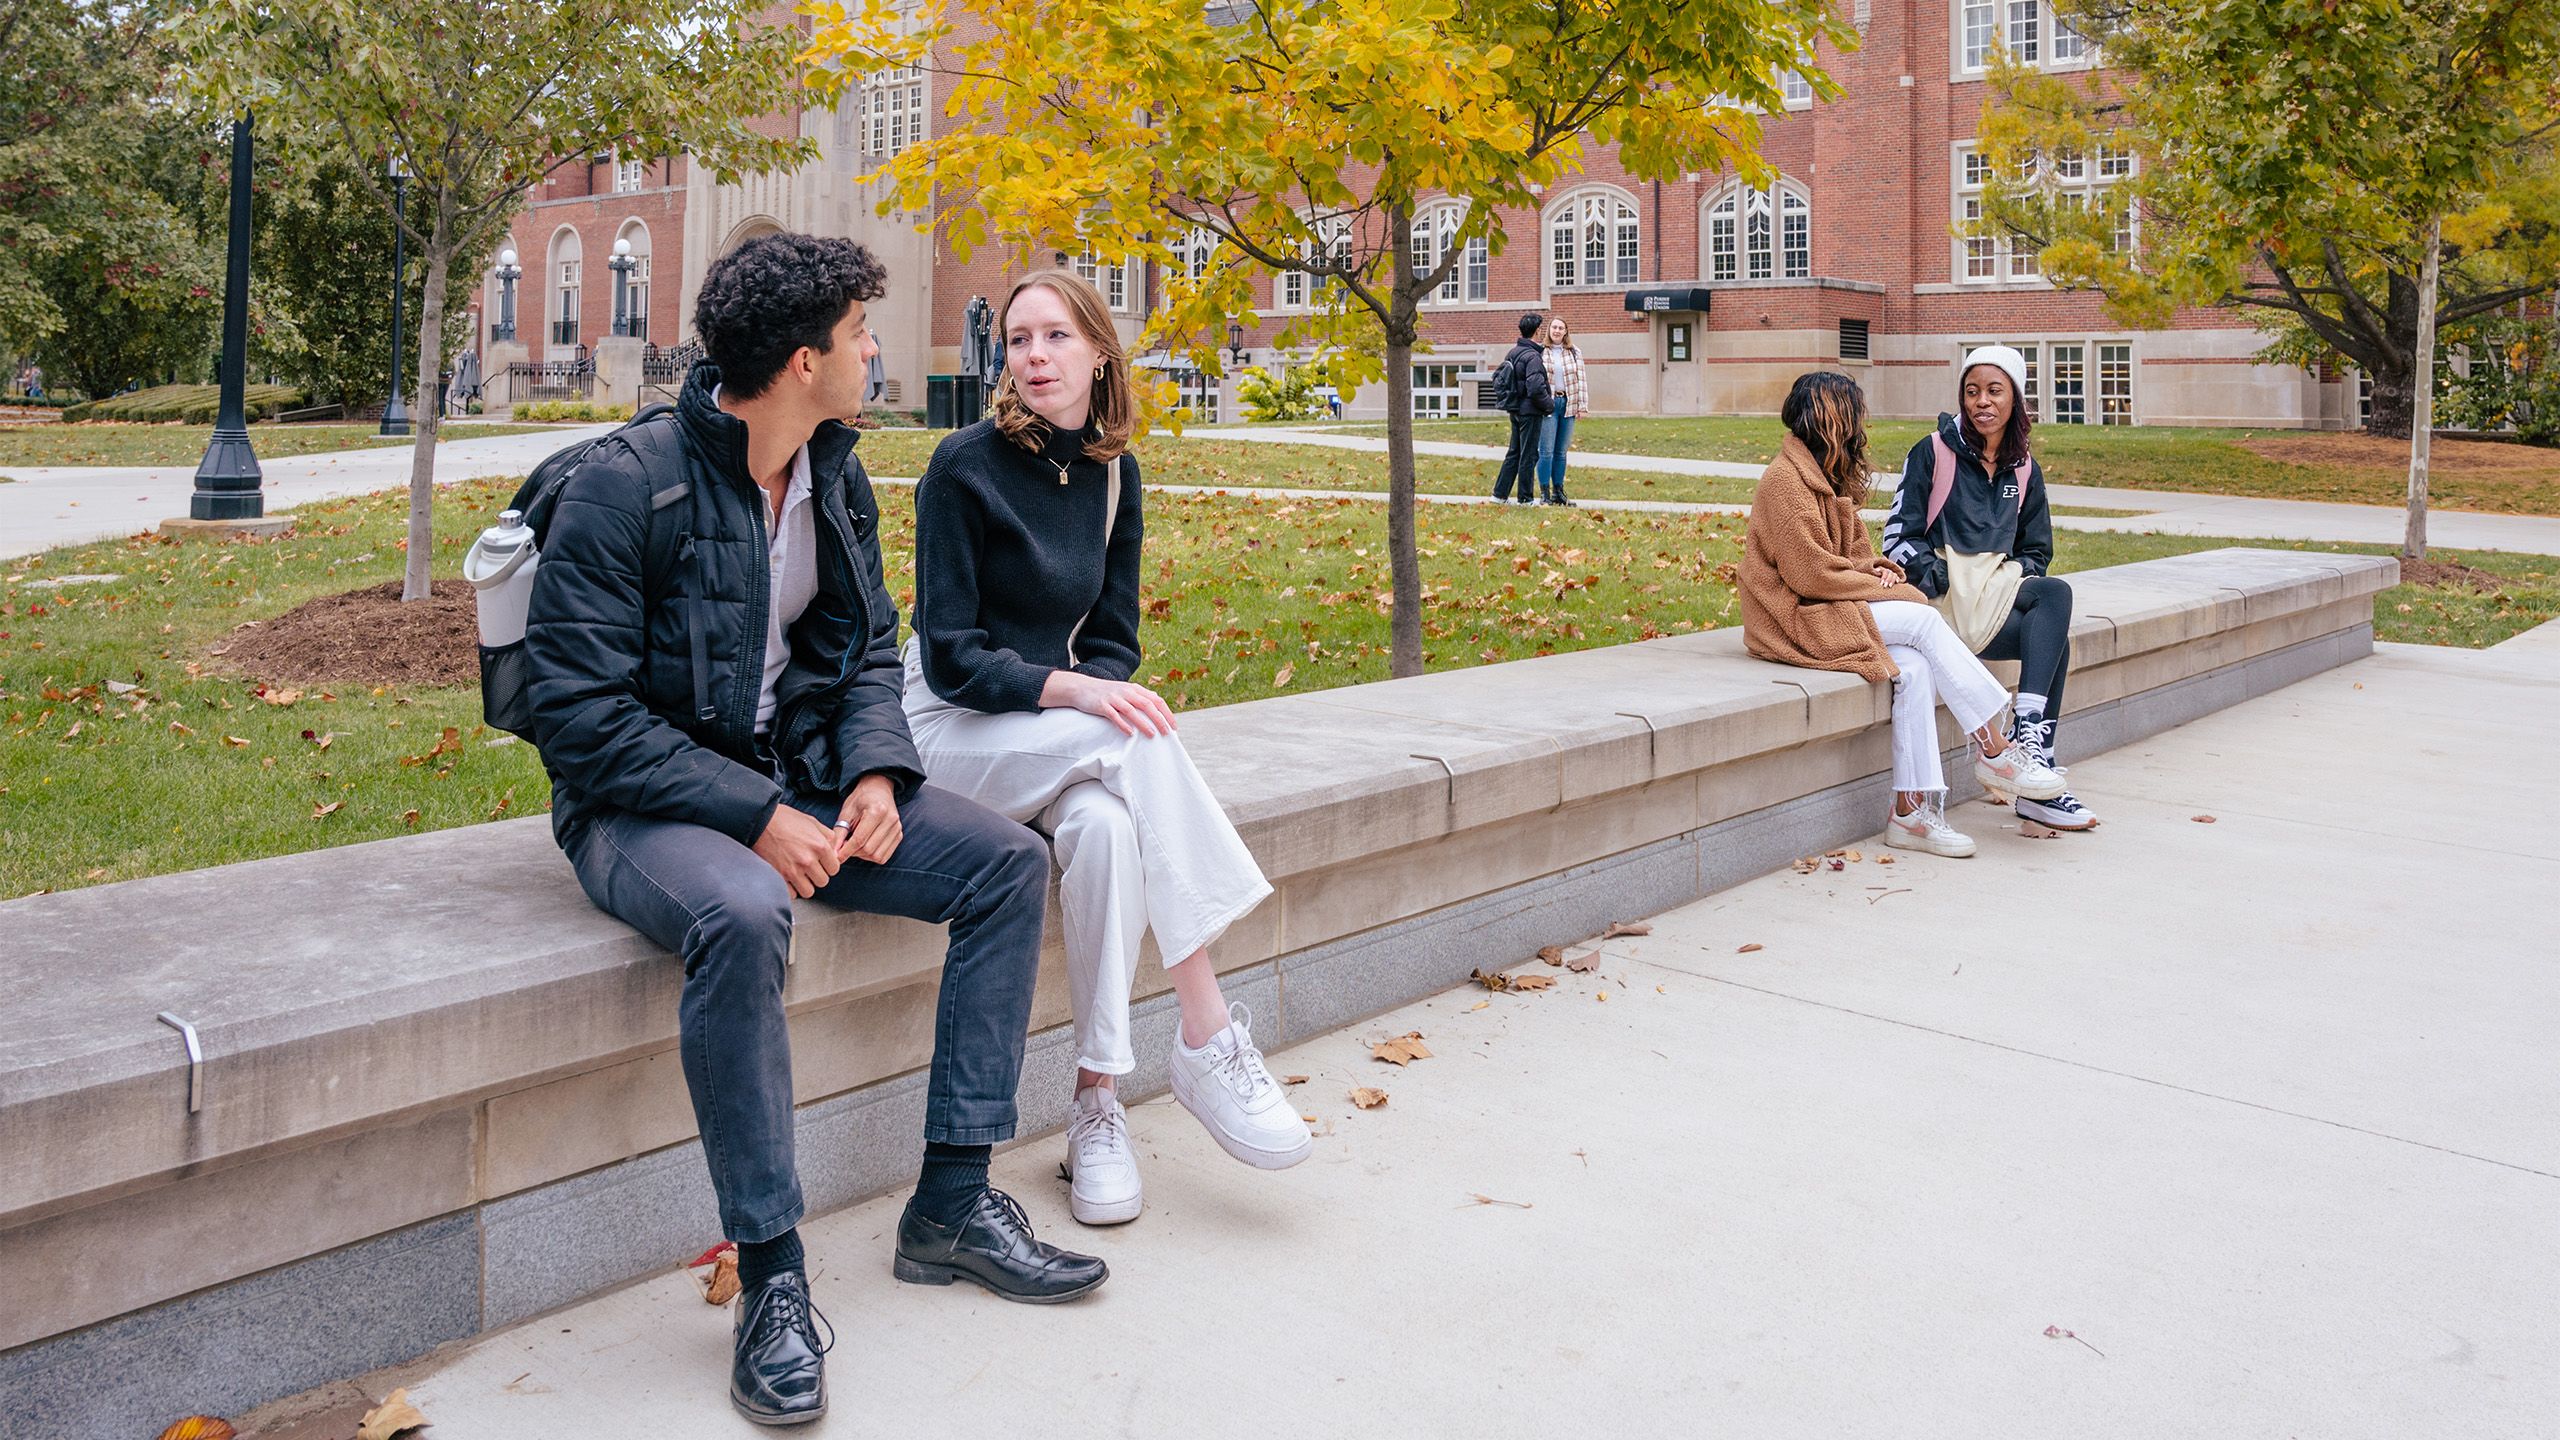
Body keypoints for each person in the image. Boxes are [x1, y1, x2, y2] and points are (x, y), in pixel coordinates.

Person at [523, 233, 1105, 1427]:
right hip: (639, 808)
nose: (876, 348)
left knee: (1002, 863)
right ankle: (773, 1274)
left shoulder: (832, 473)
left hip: (795, 780)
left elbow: (863, 651)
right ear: (803, 360)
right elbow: (575, 719)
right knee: (742, 914)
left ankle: (950, 1202)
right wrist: (756, 814)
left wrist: (878, 772)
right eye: (860, 333)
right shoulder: (624, 486)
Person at [905, 268, 1312, 1229]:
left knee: (1107, 830)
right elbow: (953, 656)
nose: (1034, 357)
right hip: (951, 731)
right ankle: (1209, 1034)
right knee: (1130, 740)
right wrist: (1081, 692)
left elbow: (1116, 639)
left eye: (1054, 337)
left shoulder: (1112, 473)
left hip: (1050, 738)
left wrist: (1096, 688)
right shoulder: (961, 468)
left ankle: (1097, 1100)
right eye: (1018, 341)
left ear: (1098, 350)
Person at [1741, 371, 2069, 858]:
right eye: (1854, 415)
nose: (1860, 427)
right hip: (1792, 619)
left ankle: (1909, 813)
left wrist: (1882, 571)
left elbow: (1850, 556)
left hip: (1829, 606)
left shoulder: (1823, 475)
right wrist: (1886, 589)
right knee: (1922, 619)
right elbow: (1811, 576)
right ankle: (1997, 749)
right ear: (1830, 419)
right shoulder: (1785, 484)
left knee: (1914, 670)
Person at [1880, 345, 2098, 830]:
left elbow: (2037, 549)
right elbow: (1896, 533)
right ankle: (2031, 754)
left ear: (2015, 398)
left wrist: (2011, 573)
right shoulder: (1933, 452)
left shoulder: (2024, 470)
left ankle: (2032, 763)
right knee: (2055, 601)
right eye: (1972, 391)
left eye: (1995, 391)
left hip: (1993, 592)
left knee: (2051, 629)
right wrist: (1923, 569)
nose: (1982, 401)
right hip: (1942, 597)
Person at [1489, 312, 1553, 504]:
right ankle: (1525, 499)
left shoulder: (1513, 352)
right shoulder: (1533, 356)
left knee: (1514, 453)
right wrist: (1549, 405)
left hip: (1515, 409)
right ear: (1537, 331)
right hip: (1530, 412)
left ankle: (1499, 495)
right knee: (1529, 455)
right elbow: (1535, 387)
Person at [1538, 316, 1589, 506]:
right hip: (1549, 405)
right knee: (1546, 451)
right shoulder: (1541, 351)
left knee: (1561, 452)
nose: (1557, 331)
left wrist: (1582, 406)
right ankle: (1545, 494)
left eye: (1561, 328)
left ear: (1566, 331)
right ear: (1549, 330)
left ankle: (1558, 492)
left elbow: (1581, 380)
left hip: (1568, 402)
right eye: (1554, 327)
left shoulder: (1575, 352)